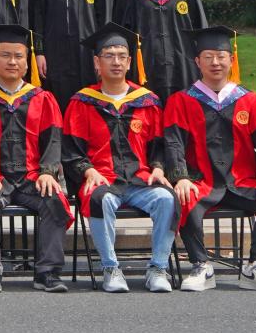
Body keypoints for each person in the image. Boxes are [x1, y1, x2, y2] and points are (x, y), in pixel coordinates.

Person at [162, 26, 256, 293]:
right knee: (184, 199)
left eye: (221, 56)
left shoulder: (251, 101)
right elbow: (173, 144)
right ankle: (201, 266)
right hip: (201, 182)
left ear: (232, 60)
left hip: (242, 182)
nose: (215, 62)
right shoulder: (181, 101)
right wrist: (181, 178)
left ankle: (255, 266)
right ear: (197, 62)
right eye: (208, 57)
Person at [63, 24, 177, 293]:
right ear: (97, 62)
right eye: (109, 56)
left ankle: (158, 268)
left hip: (140, 180)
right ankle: (110, 268)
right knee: (100, 199)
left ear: (129, 62)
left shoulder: (147, 102)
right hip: (102, 179)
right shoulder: (82, 102)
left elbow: (159, 145)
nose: (116, 62)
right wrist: (87, 170)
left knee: (167, 199)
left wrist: (159, 168)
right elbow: (70, 149)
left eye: (122, 56)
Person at [0, 25, 71, 294]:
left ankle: (48, 272)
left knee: (55, 199)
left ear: (27, 60)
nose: (12, 62)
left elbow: (53, 141)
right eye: (5, 55)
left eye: (19, 56)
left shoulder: (42, 99)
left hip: (32, 176)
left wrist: (47, 171)